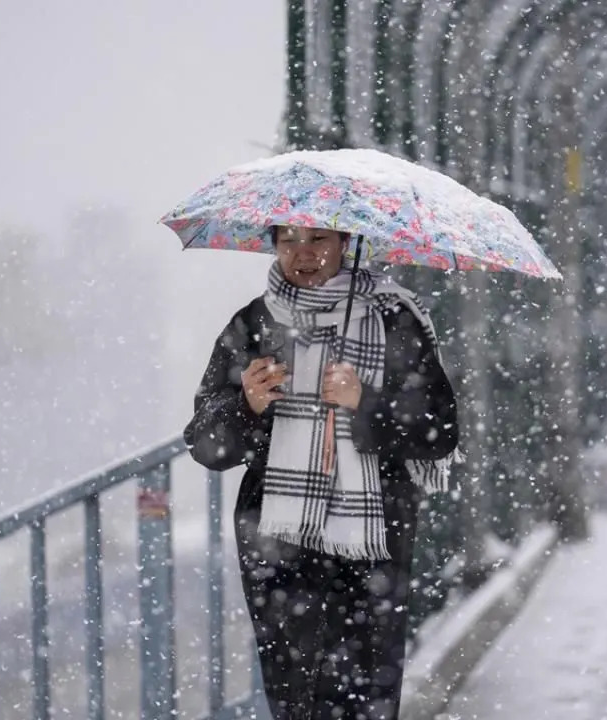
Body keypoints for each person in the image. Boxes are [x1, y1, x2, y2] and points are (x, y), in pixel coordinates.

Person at [184, 225, 460, 720]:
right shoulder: (253, 324)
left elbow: (439, 431)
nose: (303, 254)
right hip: (276, 541)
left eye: (318, 240)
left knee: (366, 688)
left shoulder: (394, 319)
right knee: (293, 690)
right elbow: (205, 444)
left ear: (346, 245)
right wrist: (245, 405)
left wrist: (365, 404)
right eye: (288, 241)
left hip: (373, 541)